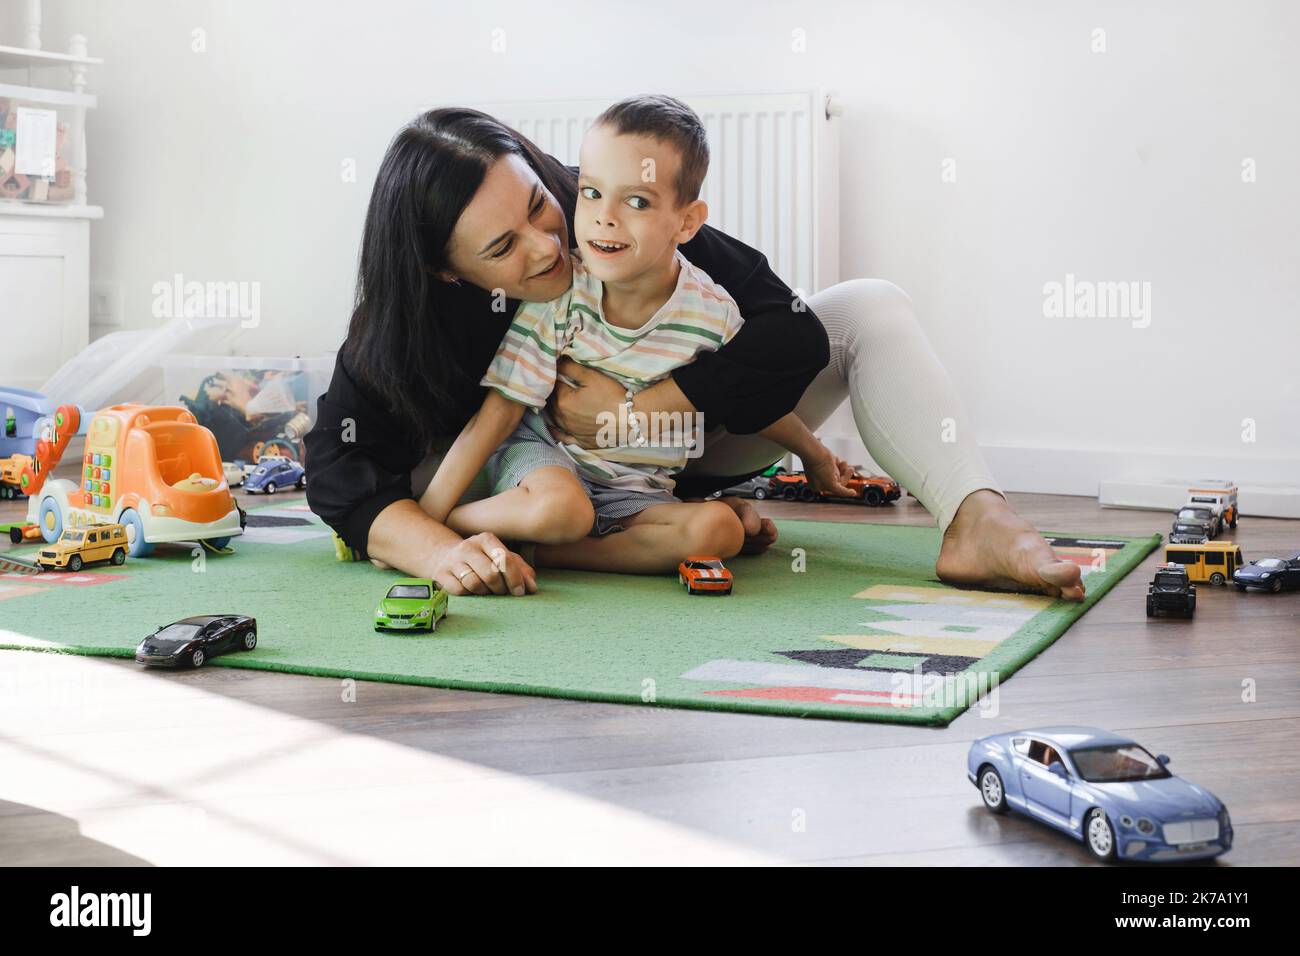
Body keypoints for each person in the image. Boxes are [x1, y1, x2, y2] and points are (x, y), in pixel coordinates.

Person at [304, 103, 1084, 603]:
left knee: (868, 306)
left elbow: (790, 332)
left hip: (665, 457)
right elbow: (338, 473)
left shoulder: (605, 208)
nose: (552, 248)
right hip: (516, 472)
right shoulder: (400, 322)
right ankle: (548, 532)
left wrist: (644, 410)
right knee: (410, 492)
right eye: (504, 247)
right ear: (444, 269)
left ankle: (977, 520)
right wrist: (436, 548)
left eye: (544, 206)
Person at [418, 96, 858, 578]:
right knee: (564, 510)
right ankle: (459, 525)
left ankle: (551, 553)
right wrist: (426, 526)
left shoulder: (713, 313)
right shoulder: (563, 295)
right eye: (590, 193)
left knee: (720, 532)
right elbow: (499, 411)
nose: (605, 217)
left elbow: (754, 402)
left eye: (637, 201)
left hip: (638, 488)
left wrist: (816, 457)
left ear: (687, 222)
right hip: (549, 463)